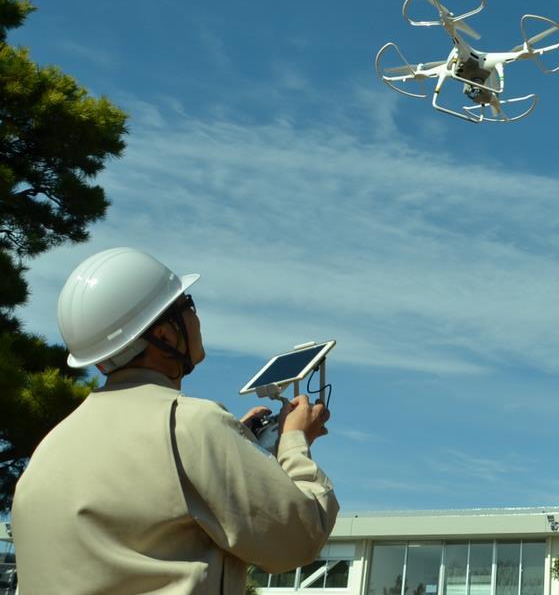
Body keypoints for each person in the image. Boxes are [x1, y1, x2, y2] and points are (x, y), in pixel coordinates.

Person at [11, 247, 339, 594]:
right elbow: (298, 539)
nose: (196, 318)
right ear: (164, 335)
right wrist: (294, 441)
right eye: (188, 305)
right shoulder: (193, 427)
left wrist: (237, 446)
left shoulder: (48, 449)